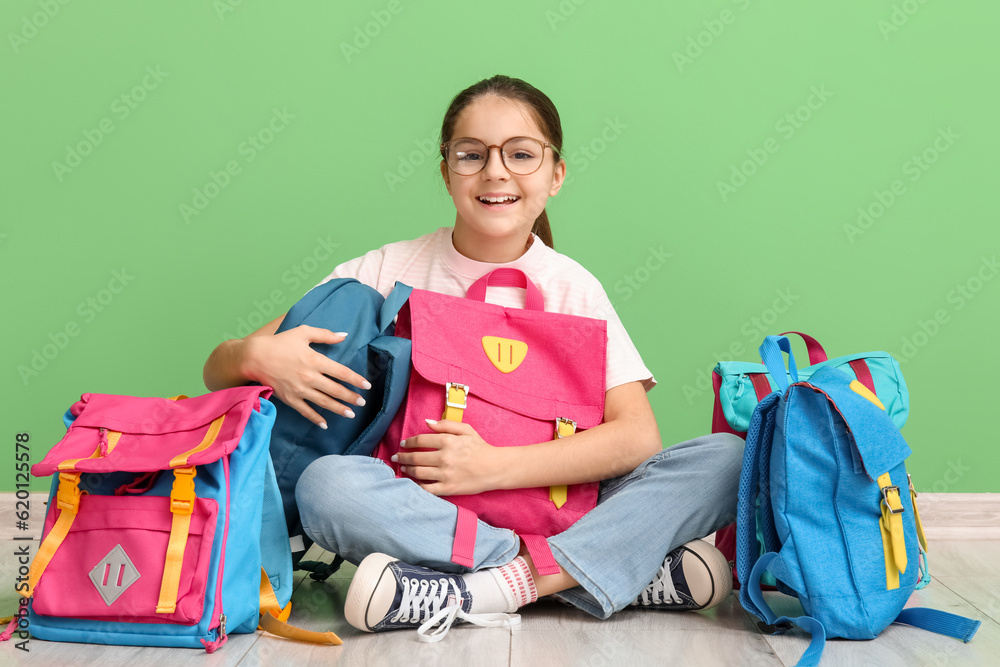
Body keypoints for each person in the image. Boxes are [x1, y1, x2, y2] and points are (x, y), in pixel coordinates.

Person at [203, 74, 744, 640]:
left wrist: (495, 467)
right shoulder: (390, 269)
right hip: (427, 509)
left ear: (555, 174)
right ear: (445, 171)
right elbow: (218, 368)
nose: (495, 171)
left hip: (561, 503)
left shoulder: (571, 287)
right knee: (326, 487)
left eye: (521, 154)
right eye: (471, 154)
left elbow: (636, 438)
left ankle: (482, 589)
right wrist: (258, 354)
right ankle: (601, 568)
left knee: (730, 458)